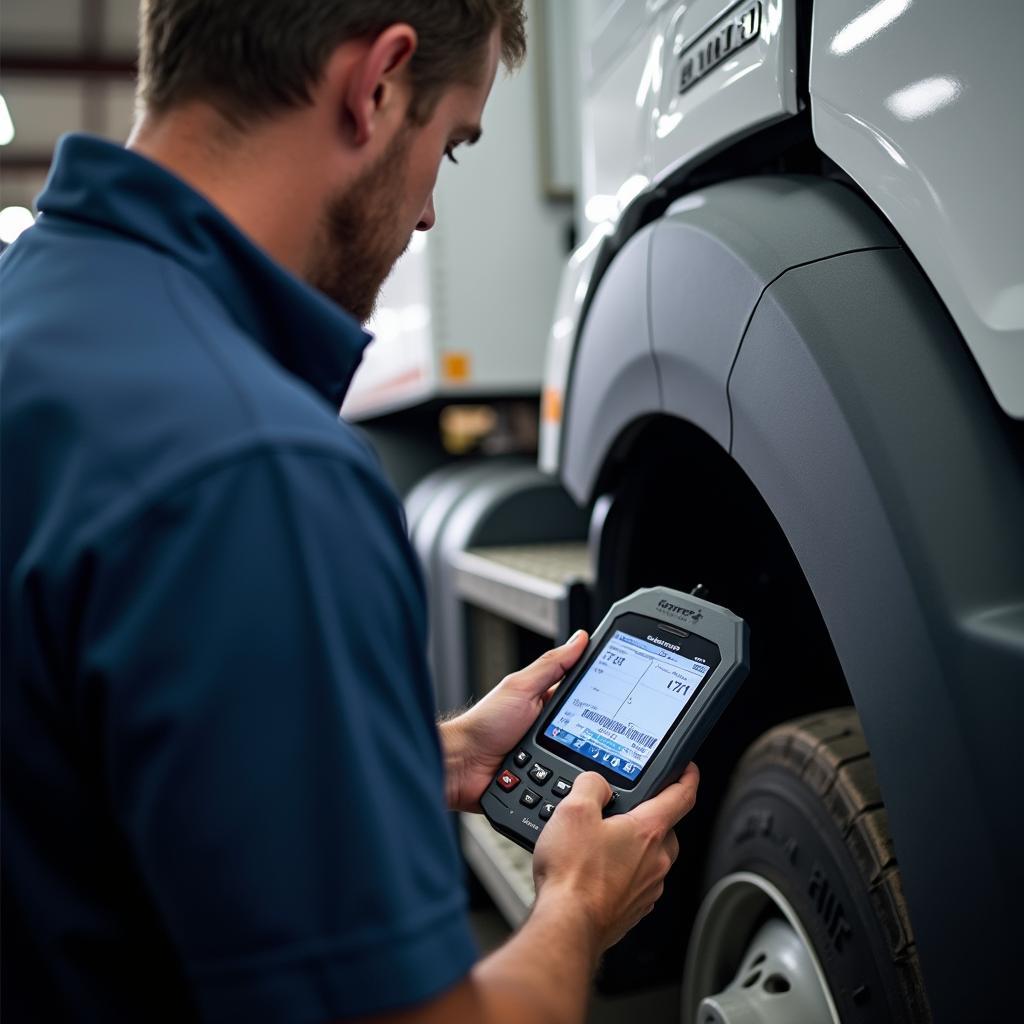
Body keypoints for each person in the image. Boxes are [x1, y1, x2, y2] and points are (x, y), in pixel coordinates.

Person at [0, 2, 700, 1021]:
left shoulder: (30, 311)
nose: (424, 215)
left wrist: (436, 755)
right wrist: (577, 907)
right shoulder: (257, 468)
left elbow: (101, 784)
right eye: (451, 147)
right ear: (376, 85)